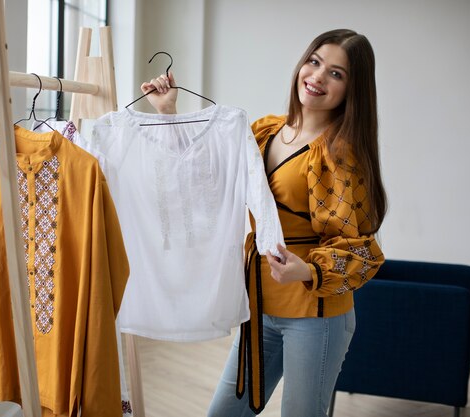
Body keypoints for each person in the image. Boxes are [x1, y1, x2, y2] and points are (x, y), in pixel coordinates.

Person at [141, 28, 387, 417]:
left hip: (315, 314)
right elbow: (207, 181)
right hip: (258, 304)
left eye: (336, 74)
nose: (318, 77)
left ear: (352, 90)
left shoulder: (341, 156)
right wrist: (168, 111)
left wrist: (307, 269)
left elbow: (363, 249)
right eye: (315, 61)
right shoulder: (265, 130)